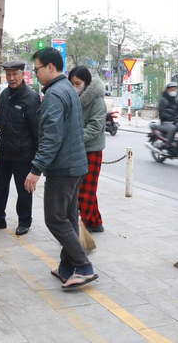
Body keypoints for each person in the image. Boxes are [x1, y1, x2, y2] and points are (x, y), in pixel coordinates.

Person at [24, 47, 96, 290]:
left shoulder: (55, 94)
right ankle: (67, 267)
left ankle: (84, 267)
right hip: (75, 165)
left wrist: (36, 169)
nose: (36, 74)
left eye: (37, 69)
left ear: (50, 67)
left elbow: (52, 136)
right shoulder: (67, 89)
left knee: (55, 219)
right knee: (68, 218)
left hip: (63, 168)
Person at [0, 60, 40, 235]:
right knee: (0, 188)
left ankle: (24, 221)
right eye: (9, 75)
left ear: (22, 75)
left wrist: (37, 160)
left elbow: (37, 130)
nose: (11, 78)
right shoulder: (4, 95)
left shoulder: (31, 98)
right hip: (4, 152)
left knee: (24, 190)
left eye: (15, 74)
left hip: (23, 155)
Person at [68, 65, 107, 233]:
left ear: (86, 82)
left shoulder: (97, 101)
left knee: (85, 191)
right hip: (78, 148)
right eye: (72, 84)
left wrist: (72, 137)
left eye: (78, 83)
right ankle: (95, 222)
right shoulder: (74, 99)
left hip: (92, 150)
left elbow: (94, 128)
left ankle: (81, 227)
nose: (75, 87)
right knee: (85, 188)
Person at [158, 82, 178, 152]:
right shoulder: (163, 100)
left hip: (175, 121)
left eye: (174, 90)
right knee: (173, 128)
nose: (173, 91)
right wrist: (171, 118)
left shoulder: (176, 101)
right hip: (165, 122)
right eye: (171, 90)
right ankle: (168, 146)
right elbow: (162, 113)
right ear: (167, 90)